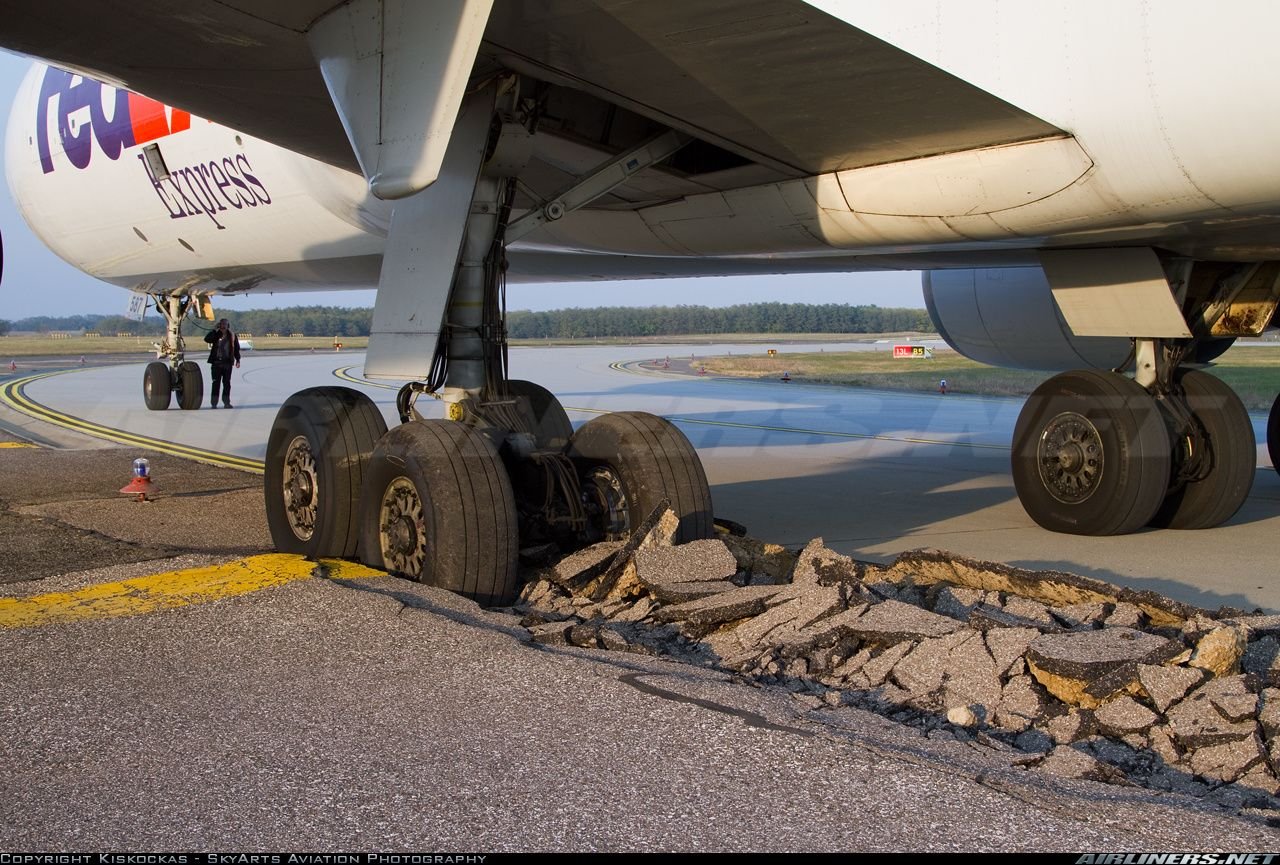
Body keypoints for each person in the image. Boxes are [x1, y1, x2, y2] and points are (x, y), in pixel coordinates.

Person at [204, 318, 241, 408]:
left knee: (227, 383)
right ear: (219, 325)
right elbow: (207, 339)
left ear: (228, 325)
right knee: (216, 383)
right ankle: (214, 403)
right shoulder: (216, 334)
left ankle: (226, 402)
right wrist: (214, 330)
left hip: (227, 363)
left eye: (225, 324)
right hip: (216, 363)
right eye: (222, 324)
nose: (223, 326)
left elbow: (236, 348)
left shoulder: (232, 335)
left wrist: (238, 360)